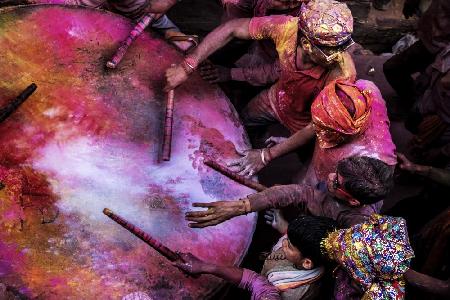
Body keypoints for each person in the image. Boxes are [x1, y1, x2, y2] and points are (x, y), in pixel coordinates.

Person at [166, 0, 356, 135]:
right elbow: (232, 28)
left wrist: (268, 155)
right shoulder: (286, 28)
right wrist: (187, 66)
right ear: (305, 43)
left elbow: (318, 125)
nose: (338, 56)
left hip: (306, 120)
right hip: (275, 98)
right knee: (244, 121)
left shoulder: (342, 75)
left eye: (340, 49)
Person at [228, 79, 397, 180]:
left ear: (339, 134)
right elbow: (314, 129)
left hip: (345, 179)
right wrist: (275, 151)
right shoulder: (365, 88)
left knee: (308, 188)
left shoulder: (358, 162)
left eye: (322, 127)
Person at [185, 155, 393, 229]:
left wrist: (286, 231)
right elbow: (295, 193)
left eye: (336, 182)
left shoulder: (355, 228)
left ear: (355, 202)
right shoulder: (346, 187)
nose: (329, 178)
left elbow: (319, 253)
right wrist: (241, 206)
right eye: (335, 172)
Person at [173, 215, 337, 300]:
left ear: (307, 263)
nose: (284, 243)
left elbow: (257, 283)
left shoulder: (294, 294)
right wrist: (283, 227)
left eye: (289, 245)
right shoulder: (311, 255)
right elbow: (256, 281)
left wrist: (208, 267)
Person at [31, 0, 197, 52]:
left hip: (143, 22)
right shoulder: (85, 4)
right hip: (90, 24)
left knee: (185, 43)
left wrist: (188, 47)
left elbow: (168, 30)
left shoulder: (149, 11)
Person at [383, 0, 450, 111]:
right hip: (431, 40)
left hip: (439, 47)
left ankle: (412, 104)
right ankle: (415, 100)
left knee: (392, 68)